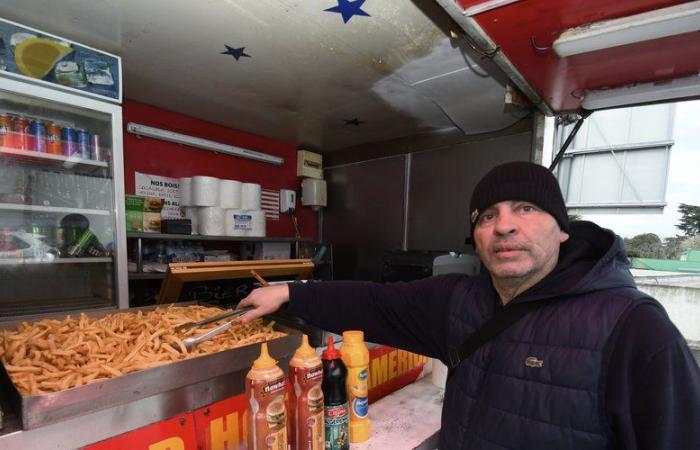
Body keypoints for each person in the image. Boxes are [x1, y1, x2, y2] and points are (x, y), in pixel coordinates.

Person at [238, 161, 700, 450]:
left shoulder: (634, 327)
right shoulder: (459, 300)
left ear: (562, 228)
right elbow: (373, 302)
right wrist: (290, 292)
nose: (504, 227)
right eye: (487, 216)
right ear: (475, 236)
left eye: (525, 209)